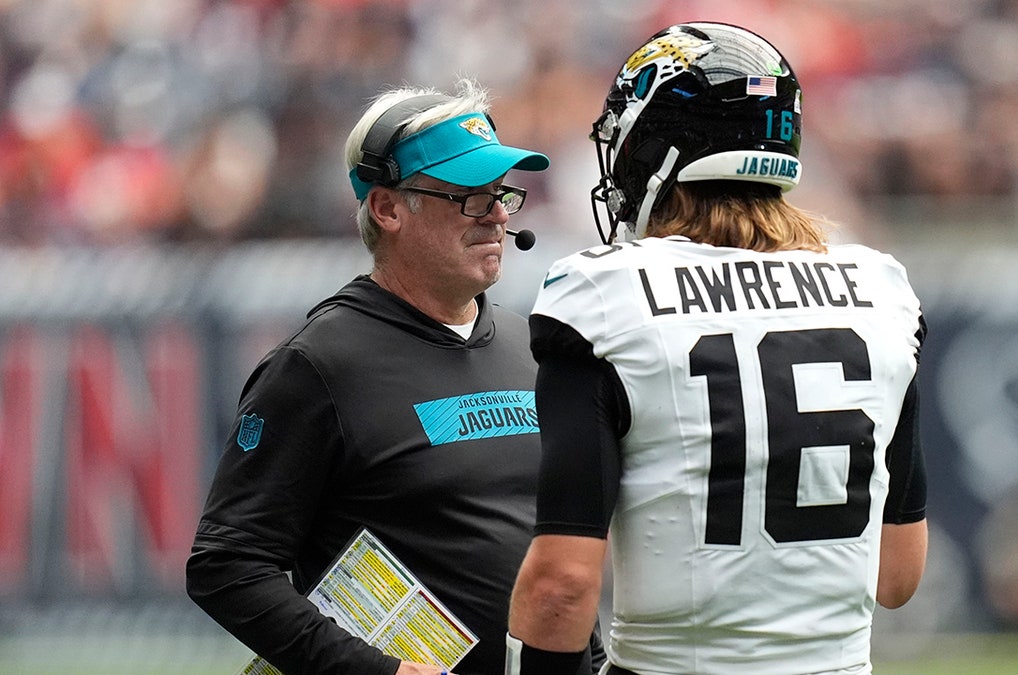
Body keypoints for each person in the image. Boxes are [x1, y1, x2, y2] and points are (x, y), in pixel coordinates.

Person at [506, 22, 928, 675]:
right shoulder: (882, 291)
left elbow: (561, 583)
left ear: (657, 151)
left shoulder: (603, 294)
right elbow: (896, 575)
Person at [187, 78, 604, 675]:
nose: (493, 215)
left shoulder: (531, 346)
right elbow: (226, 566)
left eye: (500, 194)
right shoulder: (319, 365)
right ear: (387, 209)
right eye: (466, 195)